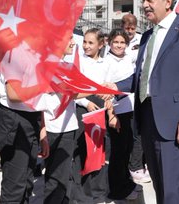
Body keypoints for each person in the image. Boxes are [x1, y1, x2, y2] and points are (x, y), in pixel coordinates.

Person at [116, 0, 179, 204]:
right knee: (159, 184)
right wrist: (114, 86)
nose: (145, 5)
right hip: (147, 118)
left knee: (172, 188)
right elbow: (141, 77)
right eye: (143, 0)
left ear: (168, 2)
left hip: (174, 121)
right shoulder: (147, 36)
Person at [0, 73, 49, 204]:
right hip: (14, 119)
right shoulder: (18, 54)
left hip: (32, 118)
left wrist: (42, 131)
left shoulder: (39, 58)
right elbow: (13, 94)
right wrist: (48, 86)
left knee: (27, 184)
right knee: (14, 187)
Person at [71, 28, 110, 204]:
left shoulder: (106, 63)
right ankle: (81, 196)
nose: (86, 46)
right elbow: (74, 89)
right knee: (82, 153)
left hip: (101, 111)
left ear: (101, 44)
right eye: (84, 42)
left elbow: (110, 87)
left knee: (99, 153)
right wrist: (86, 103)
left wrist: (110, 100)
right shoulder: (79, 62)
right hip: (83, 109)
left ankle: (99, 193)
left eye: (91, 42)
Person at [103, 29, 140, 201]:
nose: (119, 45)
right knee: (118, 153)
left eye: (122, 42)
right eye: (116, 42)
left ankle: (126, 182)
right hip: (116, 112)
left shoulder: (127, 58)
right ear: (109, 42)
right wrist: (111, 115)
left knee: (127, 150)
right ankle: (116, 190)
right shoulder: (106, 62)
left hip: (129, 110)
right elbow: (106, 92)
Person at [43, 35, 79, 204]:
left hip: (68, 126)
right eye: (69, 38)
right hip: (52, 126)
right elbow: (71, 90)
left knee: (64, 175)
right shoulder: (45, 66)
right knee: (55, 177)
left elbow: (75, 91)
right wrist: (100, 88)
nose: (73, 42)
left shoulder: (68, 66)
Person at [121, 14, 151, 184]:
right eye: (127, 28)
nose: (130, 31)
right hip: (123, 93)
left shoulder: (142, 39)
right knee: (127, 134)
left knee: (139, 132)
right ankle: (132, 165)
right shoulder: (118, 40)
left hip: (139, 91)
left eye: (133, 28)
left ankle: (138, 164)